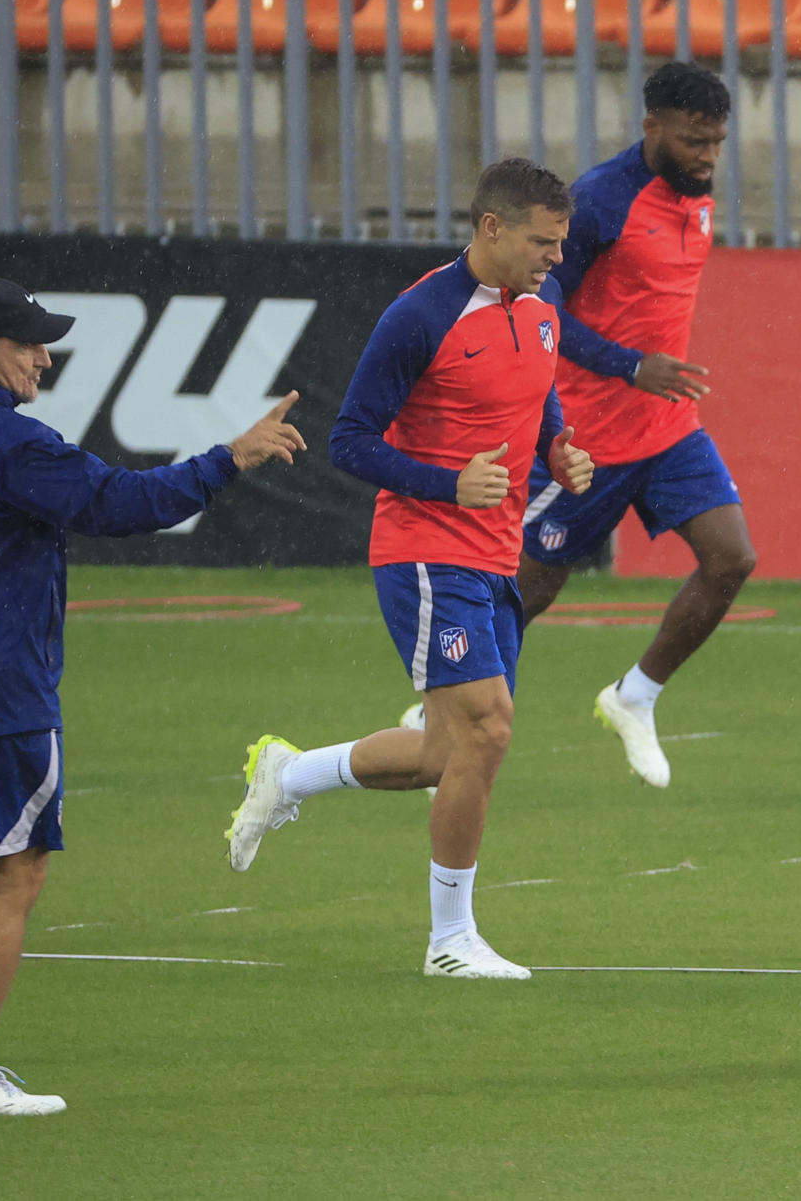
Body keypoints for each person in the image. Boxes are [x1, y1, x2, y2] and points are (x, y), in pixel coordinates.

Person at [0, 275, 305, 1115]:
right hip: (1, 691)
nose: (43, 356)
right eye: (28, 343)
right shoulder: (5, 442)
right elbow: (118, 503)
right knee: (11, 876)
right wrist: (228, 458)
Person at [224, 159, 594, 981]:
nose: (555, 258)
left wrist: (557, 445)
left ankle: (291, 772)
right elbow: (352, 439)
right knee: (489, 727)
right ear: (490, 228)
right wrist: (448, 482)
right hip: (426, 549)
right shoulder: (420, 314)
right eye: (543, 241)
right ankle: (450, 939)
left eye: (561, 243)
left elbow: (537, 393)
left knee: (446, 754)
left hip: (497, 553)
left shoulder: (542, 304)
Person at [404, 62, 749, 791]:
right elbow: (542, 305)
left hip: (668, 429)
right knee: (525, 591)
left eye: (717, 142)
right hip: (585, 441)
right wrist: (628, 366)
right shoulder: (598, 203)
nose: (707, 156)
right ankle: (441, 721)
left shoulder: (697, 195)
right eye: (693, 141)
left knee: (731, 558)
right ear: (652, 126)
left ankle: (635, 696)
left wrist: (650, 381)